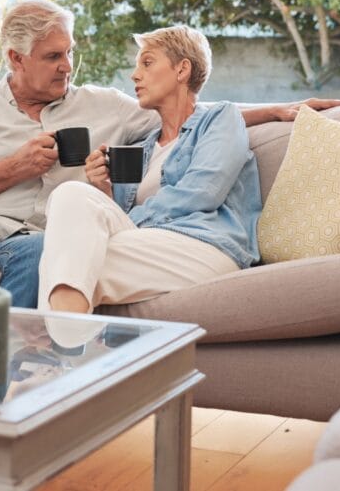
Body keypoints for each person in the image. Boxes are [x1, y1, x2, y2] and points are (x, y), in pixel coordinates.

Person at [0, 0, 340, 308]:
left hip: (40, 239)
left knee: (51, 252)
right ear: (16, 60)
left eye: (69, 53)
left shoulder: (106, 107)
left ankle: (7, 386)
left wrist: (281, 111)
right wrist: (13, 168)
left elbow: (189, 118)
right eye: (52, 58)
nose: (67, 67)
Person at [39, 25, 260, 314]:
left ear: (182, 70)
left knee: (66, 260)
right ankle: (67, 349)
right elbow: (115, 218)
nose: (135, 75)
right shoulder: (142, 149)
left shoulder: (221, 118)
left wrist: (132, 220)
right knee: (71, 211)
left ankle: (55, 352)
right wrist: (104, 190)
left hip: (204, 245)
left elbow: (202, 193)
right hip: (147, 246)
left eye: (147, 62)